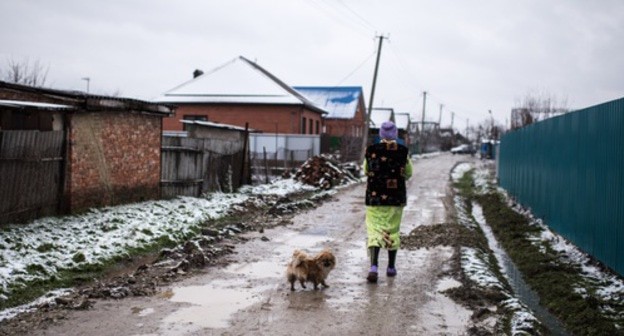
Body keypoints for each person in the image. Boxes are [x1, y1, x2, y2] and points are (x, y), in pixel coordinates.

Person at [363, 121, 413, 283]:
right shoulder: (403, 152)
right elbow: (409, 173)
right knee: (393, 230)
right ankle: (391, 267)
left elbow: (365, 170)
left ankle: (373, 266)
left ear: (381, 134)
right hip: (395, 198)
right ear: (396, 134)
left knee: (374, 231)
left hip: (374, 198)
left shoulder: (371, 151)